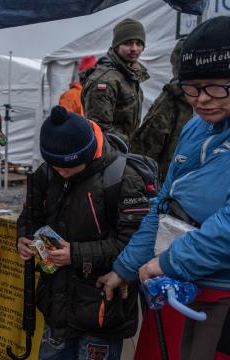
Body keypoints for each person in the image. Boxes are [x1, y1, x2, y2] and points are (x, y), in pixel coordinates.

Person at [97, 17, 230, 360]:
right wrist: (125, 267)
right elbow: (164, 206)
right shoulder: (196, 128)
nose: (200, 99)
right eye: (191, 87)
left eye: (215, 87)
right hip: (176, 285)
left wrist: (168, 262)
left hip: (220, 297)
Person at [17, 105, 150, 360]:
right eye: (54, 165)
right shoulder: (47, 172)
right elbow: (30, 217)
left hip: (102, 310)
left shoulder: (123, 177)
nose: (61, 172)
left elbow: (135, 244)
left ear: (87, 154)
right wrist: (24, 238)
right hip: (56, 306)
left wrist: (76, 254)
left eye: (68, 167)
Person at [130, 40, 192, 183]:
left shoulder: (170, 99)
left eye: (138, 44)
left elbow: (144, 148)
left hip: (171, 181)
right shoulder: (219, 95)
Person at [82, 18, 149, 143]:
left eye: (139, 44)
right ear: (117, 46)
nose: (134, 48)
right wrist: (129, 143)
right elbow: (99, 128)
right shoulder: (105, 80)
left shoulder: (129, 73)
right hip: (110, 153)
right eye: (128, 43)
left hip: (123, 149)